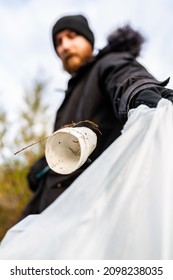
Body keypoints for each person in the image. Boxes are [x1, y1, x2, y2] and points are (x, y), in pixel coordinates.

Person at [21, 14, 173, 218]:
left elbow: (125, 77)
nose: (64, 46)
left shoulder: (108, 64)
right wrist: (43, 165)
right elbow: (65, 146)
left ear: (88, 41)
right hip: (43, 212)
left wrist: (140, 92)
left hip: (86, 213)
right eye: (58, 42)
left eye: (71, 36)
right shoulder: (69, 97)